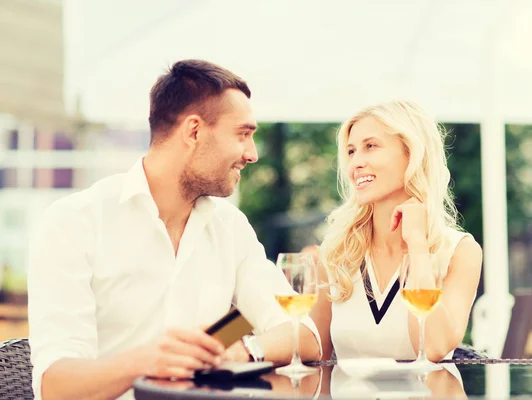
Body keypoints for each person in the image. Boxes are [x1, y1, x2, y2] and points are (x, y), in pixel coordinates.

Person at [27, 59, 321, 400]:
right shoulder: (73, 223)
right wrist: (144, 361)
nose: (251, 154)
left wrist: (241, 350)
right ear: (194, 131)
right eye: (242, 134)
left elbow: (305, 336)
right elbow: (57, 388)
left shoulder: (230, 227)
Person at [310, 100, 482, 361]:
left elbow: (433, 347)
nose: (356, 162)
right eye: (351, 151)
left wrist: (417, 244)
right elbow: (315, 352)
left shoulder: (460, 251)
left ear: (412, 154)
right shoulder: (336, 253)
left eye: (371, 146)